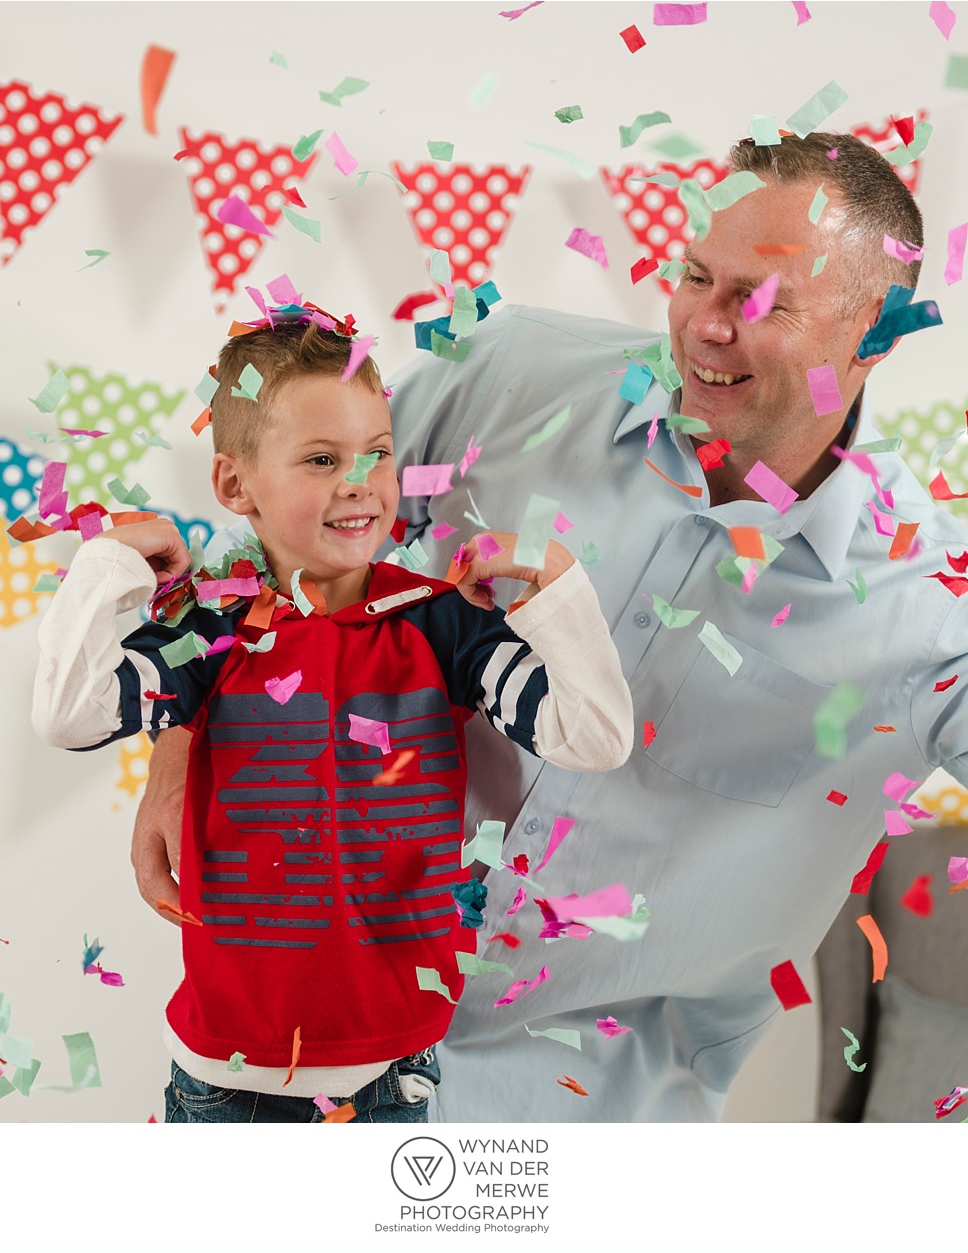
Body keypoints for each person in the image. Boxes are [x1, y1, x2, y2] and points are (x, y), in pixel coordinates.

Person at [131, 133, 968, 1122]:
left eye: (760, 301)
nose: (706, 323)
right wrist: (176, 753)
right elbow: (279, 538)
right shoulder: (510, 375)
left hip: (561, 1121)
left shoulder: (933, 612)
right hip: (288, 1061)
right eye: (697, 276)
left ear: (874, 331)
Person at [31, 305, 633, 1123]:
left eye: (377, 454)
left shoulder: (440, 623)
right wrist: (112, 559)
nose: (360, 482)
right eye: (322, 458)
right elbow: (68, 713)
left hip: (390, 1073)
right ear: (234, 483)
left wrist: (558, 586)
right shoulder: (209, 630)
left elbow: (596, 737)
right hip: (224, 1080)